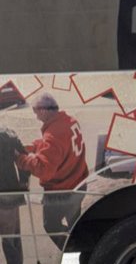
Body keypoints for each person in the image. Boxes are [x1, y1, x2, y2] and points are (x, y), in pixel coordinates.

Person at [17, 93, 89, 250]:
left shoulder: (53, 134)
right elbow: (58, 146)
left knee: (51, 225)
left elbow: (44, 170)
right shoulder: (69, 121)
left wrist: (21, 159)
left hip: (61, 191)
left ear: (43, 110)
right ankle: (81, 246)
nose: (36, 117)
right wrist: (33, 147)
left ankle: (72, 250)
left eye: (36, 112)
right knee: (74, 222)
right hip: (79, 183)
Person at [0, 127, 28, 264]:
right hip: (9, 191)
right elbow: (24, 158)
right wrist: (23, 181)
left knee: (11, 237)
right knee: (11, 236)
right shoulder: (8, 135)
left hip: (8, 193)